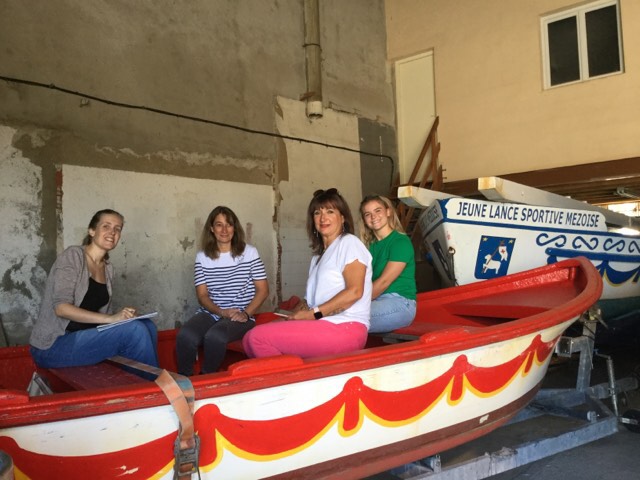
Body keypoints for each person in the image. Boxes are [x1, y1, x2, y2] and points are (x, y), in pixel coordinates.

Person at [243, 188, 372, 358]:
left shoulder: (349, 243)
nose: (323, 218)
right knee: (250, 337)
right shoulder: (318, 257)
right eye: (317, 213)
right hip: (323, 325)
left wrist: (313, 314)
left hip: (346, 327)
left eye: (330, 211)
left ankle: (291, 374)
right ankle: (292, 372)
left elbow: (354, 291)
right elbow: (308, 302)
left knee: (257, 338)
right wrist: (288, 318)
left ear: (342, 218)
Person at [30, 209, 158, 368]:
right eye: (106, 226)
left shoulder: (108, 269)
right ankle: (151, 382)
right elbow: (61, 309)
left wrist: (123, 317)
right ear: (92, 231)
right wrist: (111, 319)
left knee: (147, 325)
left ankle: (139, 378)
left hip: (84, 338)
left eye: (117, 229)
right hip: (54, 345)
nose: (112, 232)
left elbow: (102, 317)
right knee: (134, 330)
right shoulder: (73, 256)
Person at [176, 206, 269, 375]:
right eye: (219, 225)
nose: (224, 230)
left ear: (235, 227)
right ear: (212, 229)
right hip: (212, 312)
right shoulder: (203, 257)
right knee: (186, 335)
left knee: (215, 336)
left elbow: (263, 290)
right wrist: (221, 311)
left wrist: (246, 314)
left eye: (229, 224)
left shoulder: (249, 253)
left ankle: (206, 379)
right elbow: (202, 295)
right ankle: (185, 381)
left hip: (241, 314)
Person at [360, 194, 417, 333]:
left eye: (377, 210)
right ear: (364, 220)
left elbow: (384, 282)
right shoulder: (368, 247)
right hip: (375, 301)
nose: (373, 217)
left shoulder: (400, 242)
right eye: (367, 214)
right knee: (338, 316)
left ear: (388, 212)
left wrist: (351, 304)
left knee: (347, 317)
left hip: (400, 303)